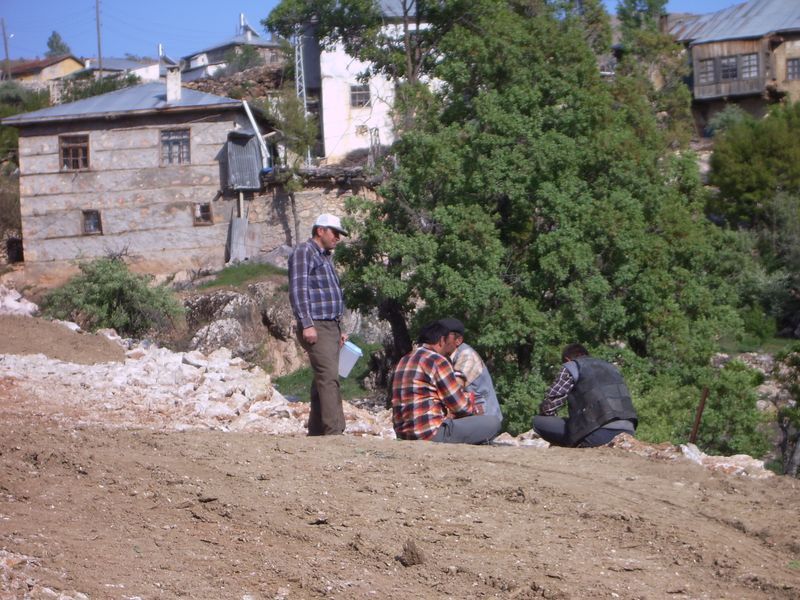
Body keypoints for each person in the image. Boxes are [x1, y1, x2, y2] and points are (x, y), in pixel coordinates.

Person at [288, 213, 349, 436]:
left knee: (322, 379)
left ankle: (316, 432)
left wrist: (340, 329)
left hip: (330, 326)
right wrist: (307, 324)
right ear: (320, 230)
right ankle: (334, 432)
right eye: (335, 233)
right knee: (329, 377)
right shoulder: (305, 251)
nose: (338, 238)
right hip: (317, 325)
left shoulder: (324, 256)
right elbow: (298, 289)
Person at [392, 321, 501, 444]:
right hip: (428, 433)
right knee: (493, 423)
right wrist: (475, 409)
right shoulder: (437, 360)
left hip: (402, 434)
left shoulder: (403, 360)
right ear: (441, 340)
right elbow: (460, 407)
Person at [533, 343, 638, 447]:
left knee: (538, 422)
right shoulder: (612, 368)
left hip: (597, 434)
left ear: (567, 359)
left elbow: (549, 406)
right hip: (628, 430)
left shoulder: (572, 366)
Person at [437, 317, 503, 422]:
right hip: (473, 415)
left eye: (444, 336)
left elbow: (455, 387)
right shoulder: (449, 357)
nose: (439, 339)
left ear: (458, 340)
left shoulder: (466, 355)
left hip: (485, 417)